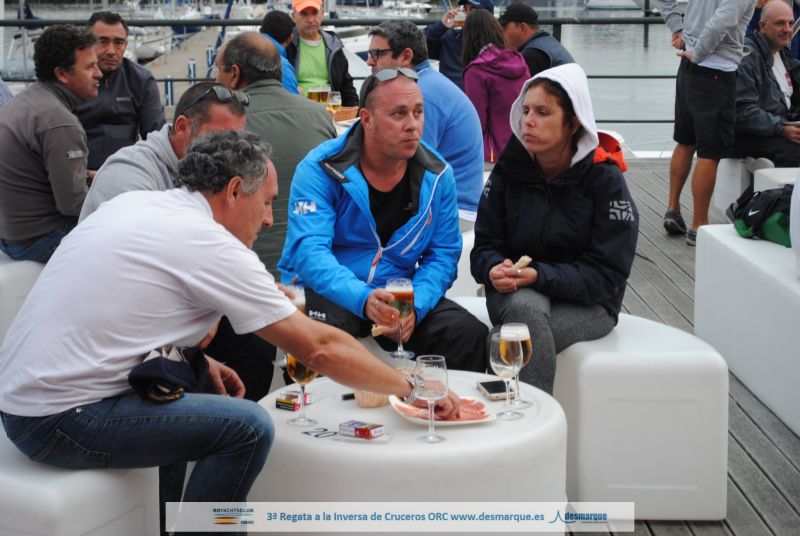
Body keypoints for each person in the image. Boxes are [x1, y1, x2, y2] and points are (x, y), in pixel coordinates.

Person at [0, 130, 459, 535]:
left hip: (24, 399)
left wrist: (203, 361)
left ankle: (165, 525)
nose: (269, 220)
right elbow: (318, 348)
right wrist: (411, 387)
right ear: (235, 190)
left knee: (183, 392)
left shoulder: (143, 204)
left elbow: (119, 315)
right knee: (247, 427)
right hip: (57, 419)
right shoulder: (208, 242)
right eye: (266, 202)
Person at [279, 68, 488, 373]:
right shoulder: (321, 168)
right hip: (325, 292)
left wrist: (415, 306)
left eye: (418, 112)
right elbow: (309, 254)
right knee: (317, 339)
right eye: (399, 114)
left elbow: (443, 255)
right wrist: (364, 299)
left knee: (467, 335)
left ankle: (446, 404)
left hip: (397, 296)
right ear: (367, 119)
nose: (412, 124)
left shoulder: (438, 174)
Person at [80, 82, 278, 403]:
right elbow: (136, 275)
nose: (231, 151)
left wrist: (215, 310)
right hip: (126, 325)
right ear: (183, 127)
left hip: (178, 306)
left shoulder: (221, 177)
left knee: (254, 334)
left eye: (237, 140)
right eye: (220, 138)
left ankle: (234, 415)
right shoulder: (129, 173)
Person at [470, 64, 639, 395]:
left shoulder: (604, 180)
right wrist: (493, 268)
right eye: (526, 110)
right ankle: (537, 422)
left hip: (588, 303)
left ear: (573, 123)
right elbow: (484, 247)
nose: (528, 121)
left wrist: (539, 275)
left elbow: (608, 274)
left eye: (543, 112)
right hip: (515, 294)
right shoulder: (508, 169)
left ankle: (519, 417)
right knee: (526, 309)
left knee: (507, 338)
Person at [215, 32, 336, 276]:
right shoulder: (320, 115)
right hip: (316, 267)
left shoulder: (221, 123)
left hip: (243, 270)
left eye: (218, 69)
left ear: (234, 74)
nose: (215, 77)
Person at [656, 0, 757, 246]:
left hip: (688, 67)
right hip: (715, 72)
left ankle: (672, 209)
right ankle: (698, 225)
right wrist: (699, 52)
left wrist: (677, 27)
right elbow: (722, 21)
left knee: (685, 141)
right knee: (709, 154)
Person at [367, 20, 484, 230]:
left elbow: (407, 167)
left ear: (406, 57)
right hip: (452, 203)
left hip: (452, 211)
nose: (369, 61)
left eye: (377, 54)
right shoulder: (428, 84)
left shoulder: (420, 96)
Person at [0, 25, 101, 263]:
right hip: (38, 240)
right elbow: (73, 205)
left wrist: (87, 175)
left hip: (10, 235)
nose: (99, 73)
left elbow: (33, 169)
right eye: (89, 67)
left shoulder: (25, 100)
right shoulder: (60, 123)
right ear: (62, 74)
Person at [76, 12, 165, 171]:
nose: (111, 51)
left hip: (125, 171)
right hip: (77, 173)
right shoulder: (72, 79)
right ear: (87, 42)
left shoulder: (141, 80)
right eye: (102, 41)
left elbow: (156, 136)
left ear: (125, 45)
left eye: (118, 43)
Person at [734, 1, 800, 167]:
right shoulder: (748, 57)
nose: (787, 29)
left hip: (778, 128)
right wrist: (782, 128)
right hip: (749, 136)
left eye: (790, 23)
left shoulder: (783, 54)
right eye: (780, 23)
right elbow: (743, 111)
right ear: (762, 26)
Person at [462, 9, 530, 163]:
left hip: (492, 153)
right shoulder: (519, 60)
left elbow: (476, 123)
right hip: (523, 146)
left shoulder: (477, 70)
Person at [286, 0, 358, 106]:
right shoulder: (286, 44)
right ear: (293, 17)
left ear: (322, 14)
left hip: (331, 112)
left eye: (315, 13)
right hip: (297, 110)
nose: (310, 20)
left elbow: (346, 85)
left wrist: (355, 110)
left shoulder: (333, 45)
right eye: (304, 14)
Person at [424, 0, 494, 91]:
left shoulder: (496, 45)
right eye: (465, 9)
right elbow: (419, 46)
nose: (466, 14)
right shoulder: (450, 38)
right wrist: (442, 25)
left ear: (488, 16)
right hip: (449, 96)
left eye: (473, 10)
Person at [498, 3, 575, 78]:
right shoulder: (546, 41)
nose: (500, 33)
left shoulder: (532, 55)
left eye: (503, 28)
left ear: (522, 28)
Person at [259, 10, 300, 94]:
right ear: (289, 39)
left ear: (260, 30)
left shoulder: (239, 51)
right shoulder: (282, 66)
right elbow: (292, 100)